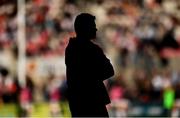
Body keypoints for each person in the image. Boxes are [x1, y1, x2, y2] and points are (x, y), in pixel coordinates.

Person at [65, 13, 114, 117]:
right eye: (93, 26)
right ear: (85, 28)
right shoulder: (93, 50)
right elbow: (109, 70)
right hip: (93, 102)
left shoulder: (71, 49)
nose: (95, 29)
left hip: (78, 104)